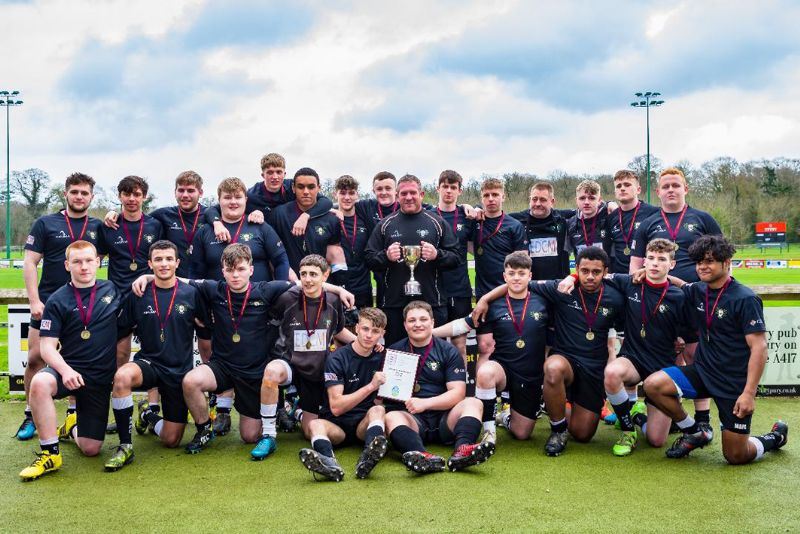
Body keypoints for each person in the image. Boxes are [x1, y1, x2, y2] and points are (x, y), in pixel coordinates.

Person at [643, 235, 788, 464]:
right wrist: (646, 273)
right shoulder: (699, 290)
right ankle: (694, 431)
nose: (702, 266)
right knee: (653, 385)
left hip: (732, 383)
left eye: (709, 261)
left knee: (736, 456)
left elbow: (759, 348)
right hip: (702, 372)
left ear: (727, 262)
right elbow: (680, 284)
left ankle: (774, 437)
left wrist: (749, 393)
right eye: (699, 262)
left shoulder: (746, 298)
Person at [474, 247, 624, 456]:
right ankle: (558, 429)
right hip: (566, 360)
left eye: (596, 272)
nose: (590, 276)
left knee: (582, 435)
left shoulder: (615, 297)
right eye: (584, 271)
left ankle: (558, 405)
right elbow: (518, 283)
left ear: (605, 272)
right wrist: (484, 299)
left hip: (593, 368)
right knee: (552, 367)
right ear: (577, 269)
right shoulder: (560, 289)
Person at [557, 238, 685, 455]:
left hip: (661, 366)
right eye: (651, 259)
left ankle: (636, 415)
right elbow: (596, 274)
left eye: (662, 260)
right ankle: (628, 430)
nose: (655, 264)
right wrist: (572, 276)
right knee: (612, 373)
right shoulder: (628, 282)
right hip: (633, 359)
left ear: (671, 264)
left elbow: (684, 339)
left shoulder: (679, 296)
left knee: (655, 440)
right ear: (644, 260)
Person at [630, 167, 723, 437]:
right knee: (671, 355)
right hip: (658, 302)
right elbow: (635, 264)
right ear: (658, 192)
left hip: (694, 301)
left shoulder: (702, 219)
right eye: (666, 186)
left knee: (695, 355)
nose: (671, 190)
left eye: (676, 185)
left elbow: (722, 258)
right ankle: (673, 413)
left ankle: (703, 418)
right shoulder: (648, 223)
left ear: (685, 189)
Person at [18, 241, 120, 481]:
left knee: (91, 449)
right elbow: (46, 347)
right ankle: (50, 454)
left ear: (98, 262)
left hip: (99, 379)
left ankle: (71, 426)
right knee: (41, 383)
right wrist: (64, 371)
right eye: (77, 262)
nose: (83, 267)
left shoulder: (112, 290)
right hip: (67, 372)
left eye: (88, 261)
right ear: (67, 265)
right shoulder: (56, 299)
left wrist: (146, 279)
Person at [104, 240, 208, 471]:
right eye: (158, 259)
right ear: (149, 263)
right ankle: (125, 446)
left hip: (178, 372)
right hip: (148, 363)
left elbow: (204, 332)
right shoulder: (138, 294)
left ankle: (147, 415)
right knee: (122, 377)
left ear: (177, 262)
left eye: (169, 259)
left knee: (171, 440)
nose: (164, 264)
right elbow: (121, 333)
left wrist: (208, 366)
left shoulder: (191, 294)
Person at [17, 173, 103, 441]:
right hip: (47, 304)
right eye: (74, 192)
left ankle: (73, 416)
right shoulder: (45, 223)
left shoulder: (99, 226)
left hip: (82, 307)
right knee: (35, 357)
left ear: (91, 197)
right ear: (65, 194)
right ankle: (30, 414)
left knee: (76, 359)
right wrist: (34, 300)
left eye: (84, 193)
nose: (79, 196)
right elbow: (30, 262)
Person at [433, 251, 549, 444]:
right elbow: (462, 325)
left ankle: (504, 417)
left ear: (530, 275)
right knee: (486, 372)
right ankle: (489, 432)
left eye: (521, 273)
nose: (516, 278)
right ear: (504, 276)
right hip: (502, 368)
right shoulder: (492, 305)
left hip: (530, 374)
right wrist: (429, 333)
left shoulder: (543, 301)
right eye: (511, 273)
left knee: (522, 434)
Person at [256, 255, 357, 460]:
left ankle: (297, 412)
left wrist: (362, 342)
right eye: (304, 274)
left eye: (313, 274)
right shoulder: (287, 298)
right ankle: (268, 435)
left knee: (309, 431)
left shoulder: (333, 301)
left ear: (325, 275)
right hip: (289, 363)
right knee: (271, 373)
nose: (308, 279)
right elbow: (271, 328)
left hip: (316, 368)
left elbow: (338, 332)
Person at [384, 301, 493, 474]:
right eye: (412, 320)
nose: (418, 324)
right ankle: (422, 456)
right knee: (390, 417)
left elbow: (458, 393)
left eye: (423, 319)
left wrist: (425, 403)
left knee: (473, 403)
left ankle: (462, 451)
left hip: (445, 418)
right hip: (413, 419)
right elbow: (388, 394)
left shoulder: (448, 351)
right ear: (405, 325)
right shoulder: (394, 352)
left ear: (432, 323)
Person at [364, 174, 460, 344]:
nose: (408, 197)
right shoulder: (385, 225)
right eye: (403, 193)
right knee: (396, 355)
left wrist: (437, 255)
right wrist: (386, 256)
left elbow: (456, 258)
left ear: (421, 194)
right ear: (397, 195)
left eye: (413, 193)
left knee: (433, 356)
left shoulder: (437, 223)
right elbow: (369, 259)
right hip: (394, 304)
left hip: (432, 302)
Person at [298, 308, 389, 481]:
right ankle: (329, 464)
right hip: (336, 426)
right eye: (365, 329)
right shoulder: (337, 359)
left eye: (375, 331)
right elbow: (337, 407)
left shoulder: (383, 356)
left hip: (363, 425)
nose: (369, 335)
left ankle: (368, 458)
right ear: (356, 328)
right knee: (315, 425)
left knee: (379, 410)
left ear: (382, 334)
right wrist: (371, 386)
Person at [97, 175, 164, 370]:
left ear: (145, 197)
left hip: (148, 294)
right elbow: (97, 259)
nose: (132, 199)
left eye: (137, 194)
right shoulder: (109, 226)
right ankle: (118, 394)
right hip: (118, 295)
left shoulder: (155, 225)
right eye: (127, 194)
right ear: (119, 196)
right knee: (121, 352)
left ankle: (153, 400)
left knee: (154, 348)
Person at [204, 152, 333, 241]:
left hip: (293, 236)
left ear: (284, 173)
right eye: (270, 172)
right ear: (262, 175)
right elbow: (212, 209)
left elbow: (326, 201)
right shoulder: (252, 195)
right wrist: (217, 224)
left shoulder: (292, 187)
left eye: (278, 172)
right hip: (267, 239)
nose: (275, 177)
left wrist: (306, 216)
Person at [427, 170, 477, 359]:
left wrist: (476, 208)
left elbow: (474, 247)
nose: (448, 191)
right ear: (437, 188)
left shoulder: (468, 217)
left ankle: (461, 388)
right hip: (434, 289)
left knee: (459, 344)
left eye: (453, 187)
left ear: (459, 191)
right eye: (445, 187)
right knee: (434, 344)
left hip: (460, 288)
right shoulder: (427, 215)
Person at [268, 168, 347, 284]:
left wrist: (338, 286)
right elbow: (270, 251)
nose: (306, 191)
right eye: (300, 187)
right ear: (293, 188)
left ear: (319, 188)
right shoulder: (279, 214)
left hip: (321, 286)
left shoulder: (331, 218)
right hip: (290, 284)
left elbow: (335, 255)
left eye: (311, 187)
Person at [508, 182, 571, 281]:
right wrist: (478, 209)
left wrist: (605, 205)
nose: (537, 204)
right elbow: (495, 216)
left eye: (543, 200)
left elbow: (590, 210)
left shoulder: (563, 218)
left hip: (558, 285)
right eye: (534, 199)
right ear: (530, 200)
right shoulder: (516, 220)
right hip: (529, 287)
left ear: (552, 201)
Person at [333, 175, 372, 308]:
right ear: (335, 194)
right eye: (342, 193)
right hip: (338, 287)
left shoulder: (365, 219)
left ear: (357, 195)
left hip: (363, 286)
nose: (347, 197)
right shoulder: (329, 219)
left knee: (364, 327)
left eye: (351, 193)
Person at [565, 179, 611, 257]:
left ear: (599, 200)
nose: (586, 202)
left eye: (591, 198)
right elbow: (566, 254)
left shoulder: (610, 219)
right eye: (582, 198)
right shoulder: (570, 224)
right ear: (576, 200)